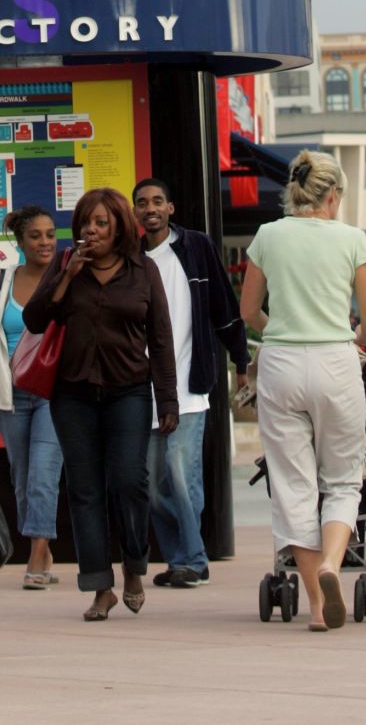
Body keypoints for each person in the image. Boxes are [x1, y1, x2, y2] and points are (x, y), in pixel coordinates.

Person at [239, 149, 366, 631]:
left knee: (292, 484)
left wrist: (279, 327)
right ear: (334, 195)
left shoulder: (267, 236)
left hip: (280, 363)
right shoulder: (351, 239)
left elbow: (248, 312)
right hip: (336, 361)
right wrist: (358, 341)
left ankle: (318, 608)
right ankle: (330, 565)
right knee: (342, 479)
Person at [23, 186, 177, 622]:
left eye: (101, 223)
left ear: (119, 228)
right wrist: (67, 274)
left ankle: (133, 567)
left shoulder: (143, 270)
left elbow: (160, 339)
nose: (91, 230)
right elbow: (35, 319)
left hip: (128, 390)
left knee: (130, 481)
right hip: (73, 394)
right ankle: (99, 586)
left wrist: (167, 400)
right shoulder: (65, 266)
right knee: (84, 490)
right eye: (85, 222)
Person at [133, 176, 250, 590]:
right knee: (149, 482)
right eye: (143, 202)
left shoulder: (196, 248)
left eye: (157, 201)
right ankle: (181, 557)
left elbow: (223, 305)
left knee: (181, 475)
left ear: (170, 208)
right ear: (135, 213)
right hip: (140, 393)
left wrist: (242, 357)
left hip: (189, 387)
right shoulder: (131, 259)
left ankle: (193, 558)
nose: (150, 208)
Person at [0, 205, 63, 588]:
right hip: (11, 394)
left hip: (54, 394)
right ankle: (42, 545)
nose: (45, 242)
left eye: (51, 234)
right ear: (20, 242)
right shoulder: (1, 280)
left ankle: (38, 554)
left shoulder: (65, 278)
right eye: (36, 235)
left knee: (42, 474)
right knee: (22, 477)